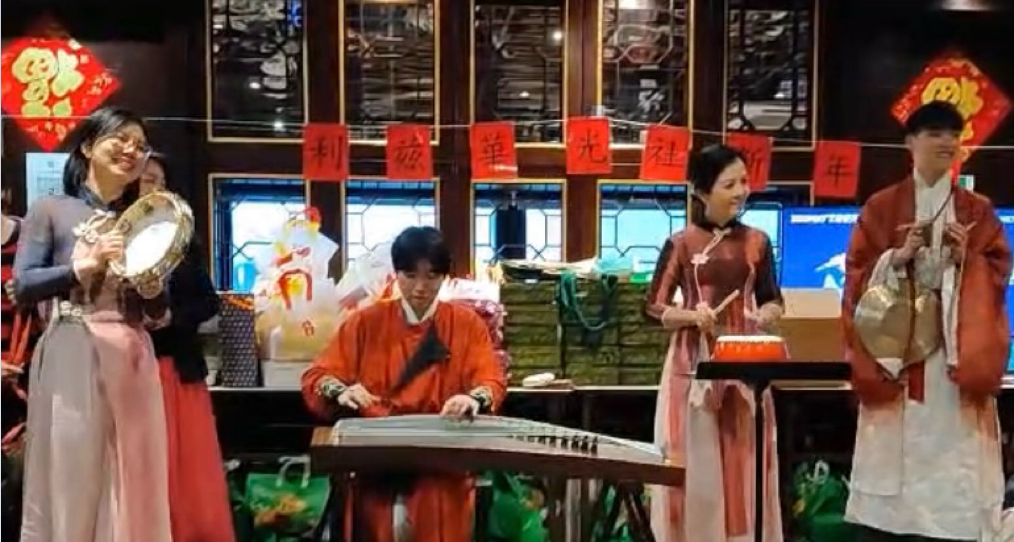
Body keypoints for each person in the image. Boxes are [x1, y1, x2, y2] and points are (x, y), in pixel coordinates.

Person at [842, 100, 1010, 542]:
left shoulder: (977, 210)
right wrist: (896, 259)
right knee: (893, 475)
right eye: (935, 133)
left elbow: (997, 272)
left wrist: (965, 260)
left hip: (954, 356)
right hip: (900, 359)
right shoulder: (882, 207)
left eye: (954, 135)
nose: (947, 142)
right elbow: (856, 274)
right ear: (910, 143)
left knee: (957, 478)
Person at [13, 107, 173, 542]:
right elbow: (22, 285)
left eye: (140, 146)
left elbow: (158, 314)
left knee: (136, 468)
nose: (131, 151)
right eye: (120, 139)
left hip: (133, 350)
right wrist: (82, 267)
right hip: (74, 345)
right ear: (87, 146)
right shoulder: (51, 209)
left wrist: (152, 286)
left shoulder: (144, 220)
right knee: (74, 467)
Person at [301, 226, 507, 542]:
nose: (420, 287)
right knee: (373, 520)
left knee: (438, 511)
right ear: (396, 274)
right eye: (410, 275)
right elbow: (318, 376)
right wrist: (342, 391)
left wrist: (472, 400)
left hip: (441, 457)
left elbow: (490, 380)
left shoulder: (466, 324)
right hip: (376, 456)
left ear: (445, 276)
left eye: (431, 276)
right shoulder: (365, 322)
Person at [645, 144, 784, 542]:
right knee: (695, 460)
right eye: (729, 184)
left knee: (744, 456)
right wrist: (692, 316)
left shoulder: (758, 241)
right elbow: (652, 307)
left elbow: (773, 299)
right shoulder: (680, 243)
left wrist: (765, 315)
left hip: (744, 360)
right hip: (693, 363)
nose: (741, 191)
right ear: (701, 191)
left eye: (744, 181)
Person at [139, 154, 235, 542]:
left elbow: (208, 302)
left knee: (187, 469)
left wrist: (172, 318)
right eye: (146, 180)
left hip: (176, 369)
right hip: (129, 370)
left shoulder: (180, 242)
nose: (154, 189)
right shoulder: (109, 239)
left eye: (161, 182)